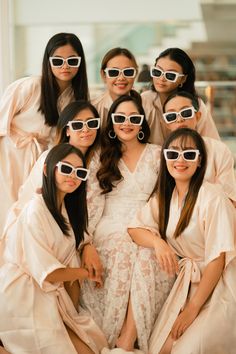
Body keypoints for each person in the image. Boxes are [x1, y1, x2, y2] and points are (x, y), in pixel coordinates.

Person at [128, 128, 236, 354]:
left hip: (222, 284)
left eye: (188, 154)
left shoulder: (213, 197)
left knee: (186, 350)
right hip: (188, 284)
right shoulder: (165, 198)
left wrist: (193, 308)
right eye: (173, 153)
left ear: (199, 161)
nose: (180, 160)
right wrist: (158, 243)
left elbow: (218, 258)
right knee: (160, 348)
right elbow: (135, 229)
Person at [80, 95, 175, 353]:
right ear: (111, 123)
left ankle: (128, 338)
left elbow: (166, 196)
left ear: (142, 122)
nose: (126, 123)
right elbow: (90, 202)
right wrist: (86, 241)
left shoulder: (157, 154)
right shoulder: (101, 156)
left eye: (134, 118)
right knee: (122, 248)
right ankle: (114, 337)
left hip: (147, 222)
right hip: (109, 223)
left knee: (148, 255)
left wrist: (152, 229)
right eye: (120, 118)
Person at [0, 143, 108, 353]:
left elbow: (79, 238)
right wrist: (87, 273)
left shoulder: (66, 210)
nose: (73, 176)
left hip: (49, 293)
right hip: (24, 294)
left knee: (92, 347)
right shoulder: (35, 212)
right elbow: (49, 273)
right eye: (66, 169)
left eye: (80, 172)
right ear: (47, 169)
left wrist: (88, 247)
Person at [2, 100, 102, 281]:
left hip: (77, 235)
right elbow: (32, 204)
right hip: (45, 236)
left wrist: (87, 242)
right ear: (67, 130)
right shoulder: (50, 160)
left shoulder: (99, 164)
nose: (86, 129)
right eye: (78, 124)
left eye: (92, 123)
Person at [0, 32, 89, 234]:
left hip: (39, 160)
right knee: (5, 211)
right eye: (57, 60)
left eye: (72, 60)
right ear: (48, 61)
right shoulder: (30, 86)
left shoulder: (76, 98)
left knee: (28, 213)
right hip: (9, 156)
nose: (65, 66)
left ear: (80, 62)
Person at [161, 91, 236, 205]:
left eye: (186, 113)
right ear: (166, 123)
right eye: (171, 116)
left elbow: (229, 197)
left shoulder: (219, 150)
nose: (179, 119)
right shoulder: (162, 154)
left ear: (197, 116)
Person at [141, 47, 220, 145]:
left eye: (170, 75)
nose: (161, 78)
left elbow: (213, 144)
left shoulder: (196, 104)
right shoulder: (144, 100)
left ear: (183, 79)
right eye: (157, 72)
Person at [92, 47, 140, 129]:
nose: (121, 78)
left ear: (135, 74)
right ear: (103, 75)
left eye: (128, 72)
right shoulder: (93, 109)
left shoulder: (147, 106)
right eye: (113, 72)